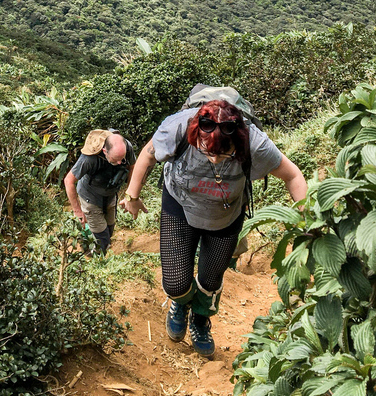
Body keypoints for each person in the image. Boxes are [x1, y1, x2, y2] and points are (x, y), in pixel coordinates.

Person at [120, 100, 307, 357]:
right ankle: (181, 303)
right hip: (180, 206)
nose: (215, 159)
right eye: (206, 150)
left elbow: (293, 175)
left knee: (210, 280)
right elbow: (148, 154)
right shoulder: (178, 127)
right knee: (175, 283)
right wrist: (132, 194)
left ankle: (200, 319)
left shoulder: (254, 143)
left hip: (226, 215)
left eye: (223, 153)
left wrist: (306, 218)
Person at [64, 130, 136, 253]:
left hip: (110, 193)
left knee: (110, 229)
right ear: (105, 151)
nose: (119, 163)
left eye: (121, 159)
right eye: (116, 159)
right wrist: (78, 211)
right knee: (102, 237)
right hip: (90, 196)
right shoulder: (89, 159)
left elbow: (132, 167)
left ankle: (90, 244)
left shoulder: (125, 148)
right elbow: (68, 180)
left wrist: (130, 194)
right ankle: (94, 258)